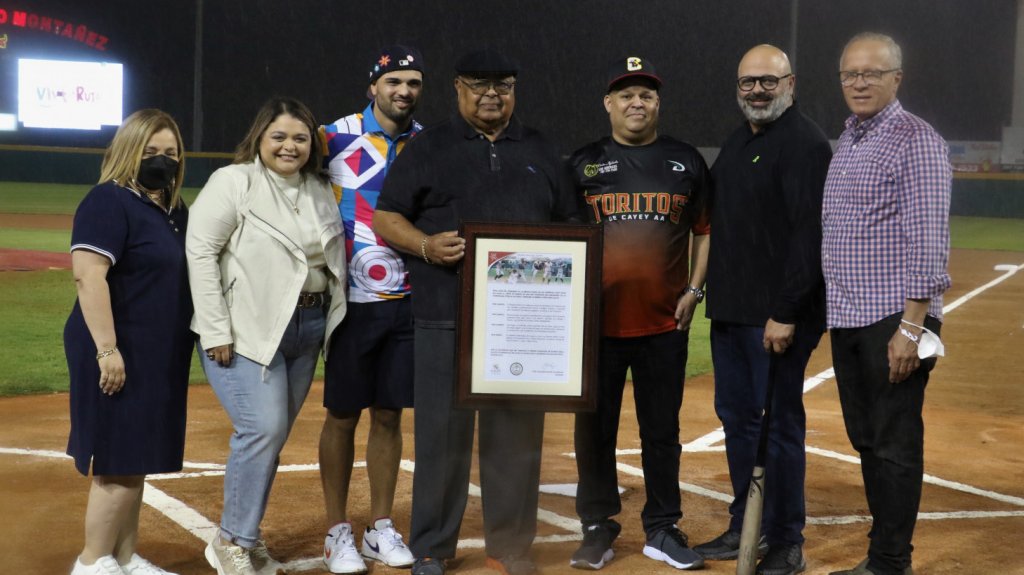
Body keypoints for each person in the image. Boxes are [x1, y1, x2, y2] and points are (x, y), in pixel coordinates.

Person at [373, 47, 580, 575]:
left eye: (503, 85)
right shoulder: (429, 147)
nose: (492, 94)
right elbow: (388, 216)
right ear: (458, 88)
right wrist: (424, 246)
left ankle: (510, 546)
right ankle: (432, 548)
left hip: (521, 323)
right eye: (479, 84)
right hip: (446, 314)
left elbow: (569, 230)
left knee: (516, 437)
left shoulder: (539, 148)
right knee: (442, 437)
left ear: (515, 90)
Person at [187, 98, 348, 575]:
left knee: (271, 436)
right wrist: (216, 328)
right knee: (262, 429)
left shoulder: (321, 188)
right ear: (259, 138)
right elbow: (200, 254)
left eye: (300, 137)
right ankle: (232, 540)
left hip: (308, 327)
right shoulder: (233, 182)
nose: (289, 146)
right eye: (278, 136)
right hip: (246, 328)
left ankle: (247, 537)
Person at [692, 45, 832, 575]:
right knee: (738, 422)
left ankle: (785, 538)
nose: (756, 91)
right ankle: (743, 523)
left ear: (790, 84)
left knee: (777, 425)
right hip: (732, 313)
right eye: (747, 82)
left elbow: (809, 237)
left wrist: (787, 311)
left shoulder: (803, 143)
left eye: (767, 83)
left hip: (774, 317)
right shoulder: (741, 138)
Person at [567, 56, 710, 572]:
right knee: (594, 431)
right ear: (608, 104)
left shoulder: (685, 161)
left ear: (657, 104)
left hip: (663, 325)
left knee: (661, 430)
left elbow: (705, 230)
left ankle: (663, 526)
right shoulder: (581, 164)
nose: (636, 102)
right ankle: (597, 526)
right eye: (626, 94)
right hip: (596, 328)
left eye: (646, 94)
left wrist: (695, 288)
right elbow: (559, 239)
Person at [823, 33, 951, 575]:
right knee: (868, 439)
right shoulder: (849, 138)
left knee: (894, 443)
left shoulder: (914, 139)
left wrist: (912, 326)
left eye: (872, 73)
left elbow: (929, 238)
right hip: (849, 316)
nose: (859, 82)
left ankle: (890, 561)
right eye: (850, 73)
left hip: (892, 317)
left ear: (897, 78)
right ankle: (885, 549)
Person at [64, 109, 194, 575]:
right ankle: (92, 561)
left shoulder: (173, 210)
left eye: (172, 153)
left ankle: (123, 556)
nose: (163, 161)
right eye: (152, 152)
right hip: (115, 346)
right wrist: (107, 350)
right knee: (117, 458)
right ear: (128, 153)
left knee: (135, 455)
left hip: (155, 350)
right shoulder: (107, 201)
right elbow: (88, 277)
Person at [317, 45, 424, 574]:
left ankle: (380, 528)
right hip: (350, 302)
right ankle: (338, 529)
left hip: (407, 299)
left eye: (413, 83)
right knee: (341, 414)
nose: (403, 91)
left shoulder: (428, 145)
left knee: (389, 413)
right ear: (373, 87)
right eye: (393, 81)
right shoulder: (329, 135)